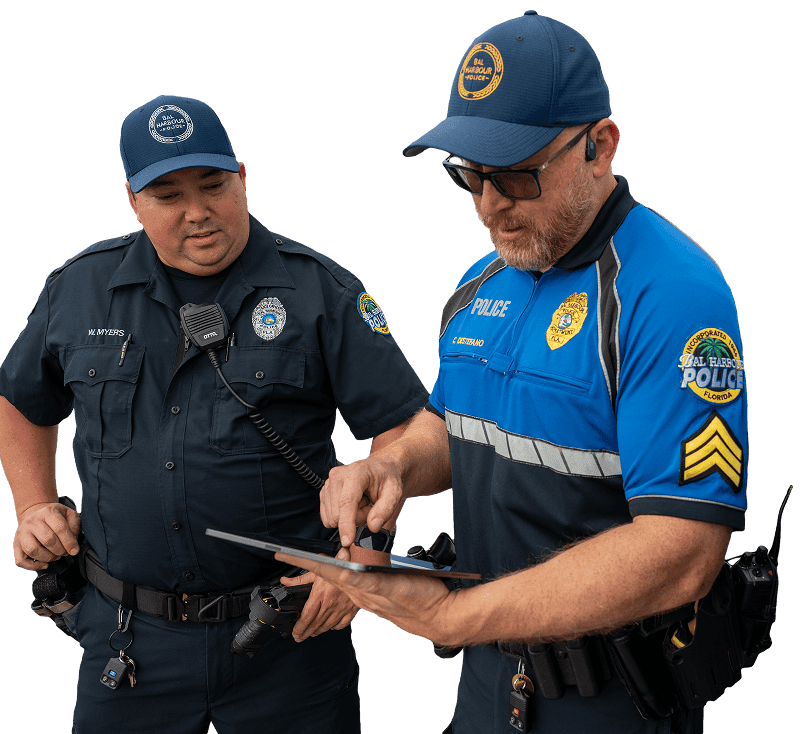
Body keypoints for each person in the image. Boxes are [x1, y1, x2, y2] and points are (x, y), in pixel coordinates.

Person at [280, 12, 748, 734]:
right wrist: (393, 465)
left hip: (613, 704)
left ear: (600, 146)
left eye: (517, 175)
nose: (488, 205)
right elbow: (452, 426)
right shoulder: (483, 282)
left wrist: (455, 616)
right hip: (487, 690)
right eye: (468, 173)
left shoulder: (672, 295)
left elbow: (682, 553)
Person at [0, 95, 429, 734]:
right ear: (133, 201)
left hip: (291, 634)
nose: (197, 211)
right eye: (168, 195)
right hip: (127, 639)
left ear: (243, 178)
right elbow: (20, 402)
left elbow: (406, 428)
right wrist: (33, 506)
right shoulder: (80, 289)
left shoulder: (320, 292)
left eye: (213, 185)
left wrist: (356, 558)